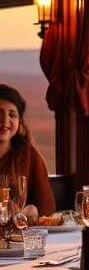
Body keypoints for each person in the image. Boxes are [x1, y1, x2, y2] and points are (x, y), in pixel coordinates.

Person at [0, 84, 56, 217]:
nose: (5, 121)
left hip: (18, 234)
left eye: (12, 115)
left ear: (20, 123)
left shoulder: (28, 154)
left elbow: (47, 208)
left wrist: (30, 214)